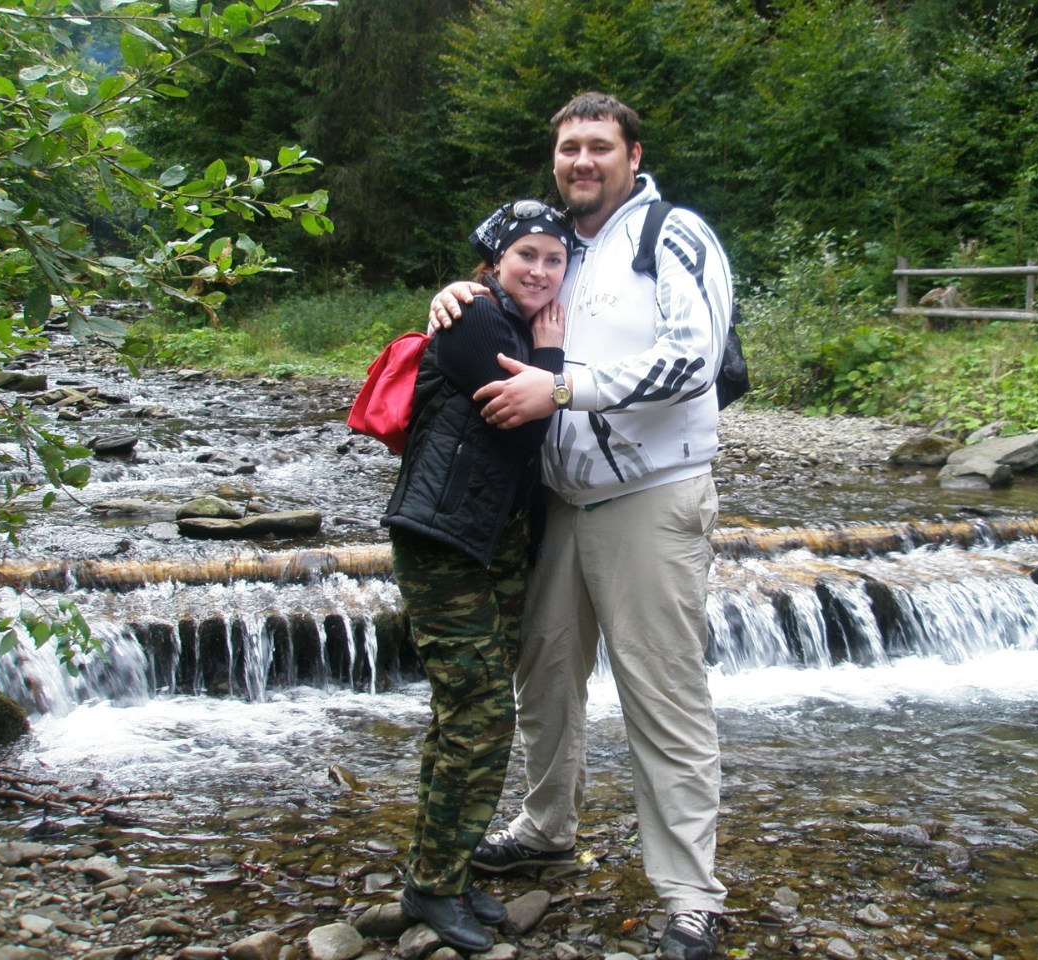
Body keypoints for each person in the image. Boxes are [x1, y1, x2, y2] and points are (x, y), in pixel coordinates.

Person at [429, 92, 733, 960]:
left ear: (633, 155)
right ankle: (545, 826)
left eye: (599, 145)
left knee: (664, 697)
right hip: (562, 502)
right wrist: (456, 293)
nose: (582, 161)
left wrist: (563, 388)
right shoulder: (564, 247)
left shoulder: (672, 234)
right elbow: (506, 291)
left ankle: (689, 896)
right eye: (569, 148)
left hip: (652, 499)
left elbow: (696, 357)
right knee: (546, 677)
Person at [383, 199, 574, 953]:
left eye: (554, 259)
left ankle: (443, 870)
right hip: (445, 539)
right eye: (526, 255)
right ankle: (433, 886)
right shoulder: (475, 319)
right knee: (483, 713)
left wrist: (550, 353)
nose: (540, 270)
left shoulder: (518, 320)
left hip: (494, 541)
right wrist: (552, 360)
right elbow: (525, 423)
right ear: (495, 260)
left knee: (462, 714)